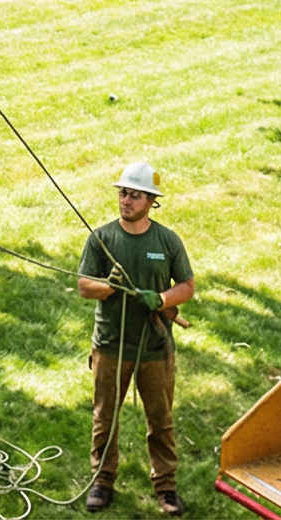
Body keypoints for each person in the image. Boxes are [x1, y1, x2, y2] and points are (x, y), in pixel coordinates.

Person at [76, 160, 196, 514]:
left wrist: (160, 299)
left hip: (156, 348)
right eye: (122, 193)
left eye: (134, 195)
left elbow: (187, 286)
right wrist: (109, 287)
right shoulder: (102, 239)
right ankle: (102, 480)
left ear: (151, 201)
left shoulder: (167, 241)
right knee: (105, 418)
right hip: (111, 346)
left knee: (160, 421)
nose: (125, 200)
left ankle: (166, 486)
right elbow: (85, 287)